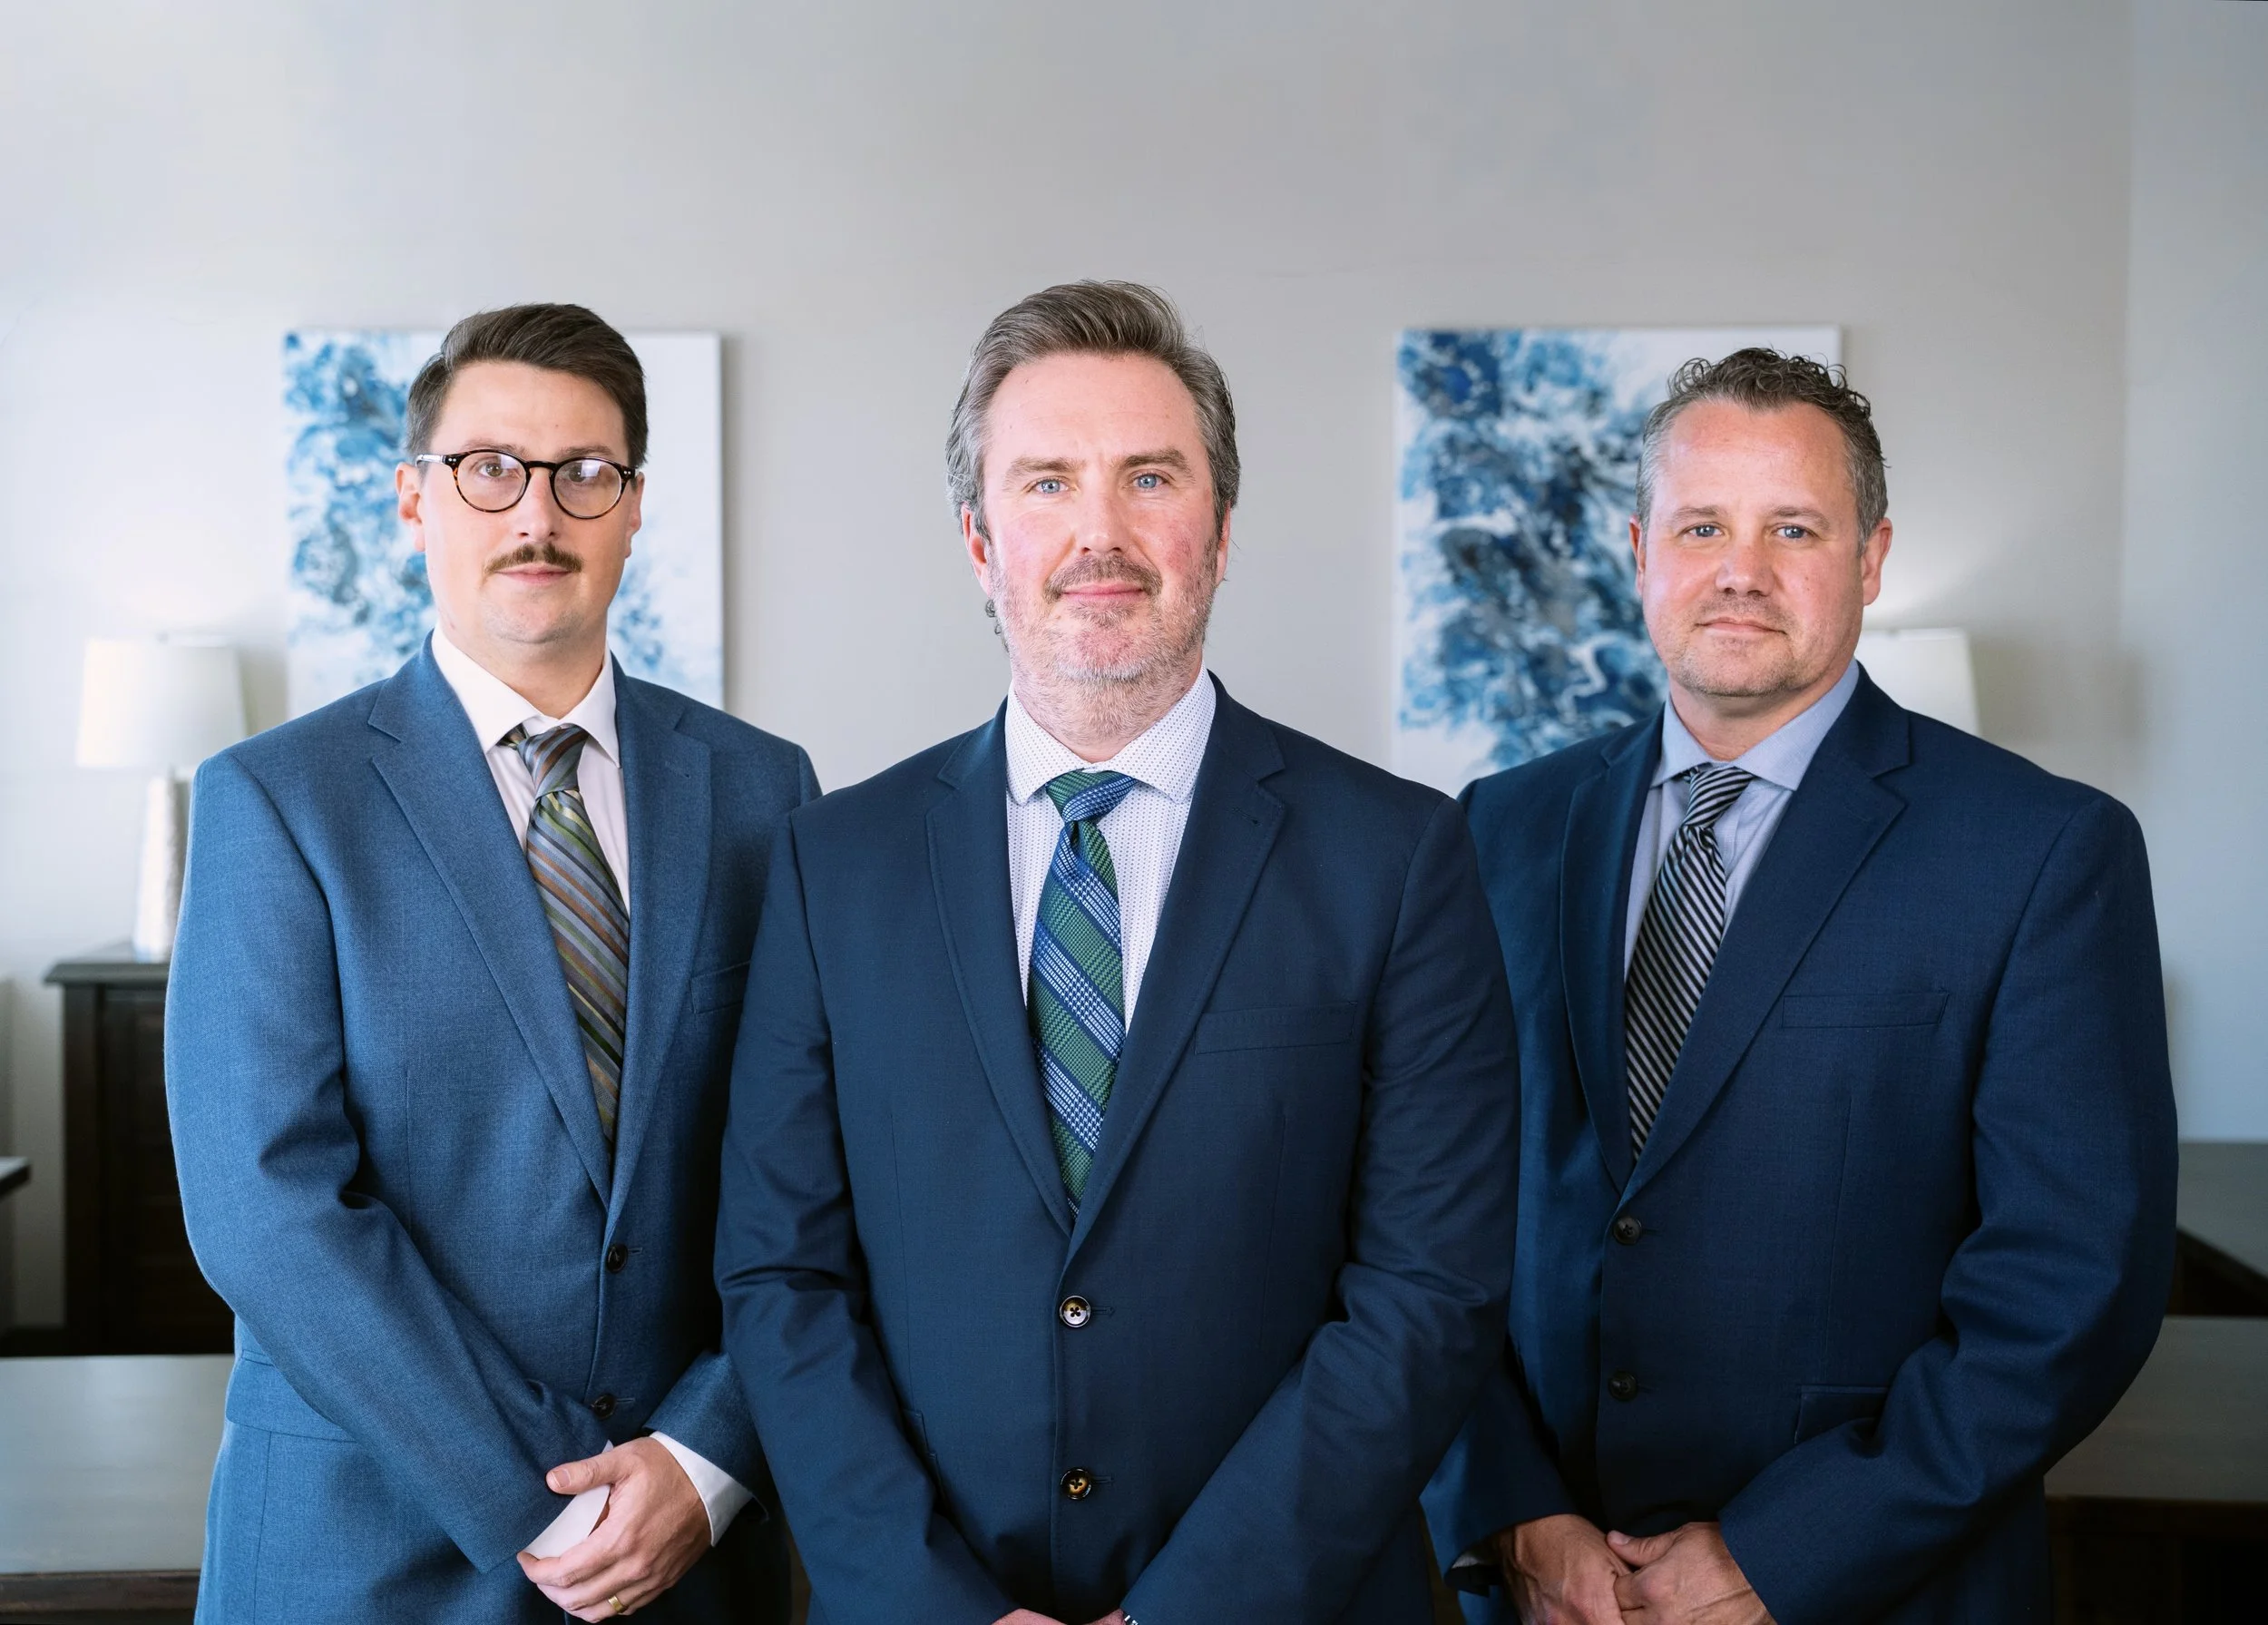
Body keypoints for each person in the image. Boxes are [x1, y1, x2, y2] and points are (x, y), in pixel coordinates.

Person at [714, 280, 1519, 1624]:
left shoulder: (1402, 858)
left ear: (1217, 529)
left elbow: (1426, 1294)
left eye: (1150, 476)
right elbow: (782, 1278)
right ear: (979, 540)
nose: (1100, 531)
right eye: (1045, 483)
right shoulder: (829, 866)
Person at [1422, 348, 2177, 1624]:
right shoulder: (1500, 830)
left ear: (1872, 558)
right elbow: (1420, 1217)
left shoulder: (2043, 852)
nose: (1741, 569)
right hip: (1549, 1592)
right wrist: (1515, 1510)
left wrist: (1781, 1551)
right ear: (1637, 547)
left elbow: (2073, 1286)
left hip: (1873, 1589)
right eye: (1702, 524)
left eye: (1796, 528)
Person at [167, 304, 815, 1623]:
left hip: (693, 1552)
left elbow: (820, 1171)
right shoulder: (278, 800)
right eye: (489, 469)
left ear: (634, 508)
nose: (539, 513)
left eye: (586, 474)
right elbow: (264, 1207)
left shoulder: (766, 793)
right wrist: (547, 1494)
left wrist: (703, 1459)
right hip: (371, 1554)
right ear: (415, 498)